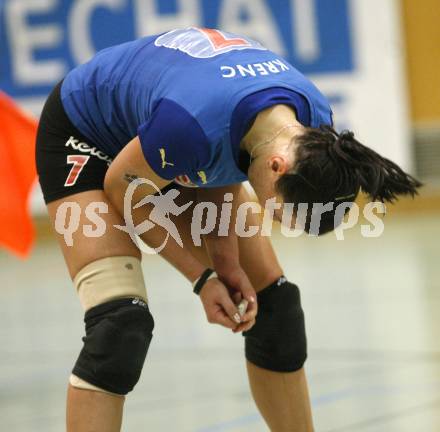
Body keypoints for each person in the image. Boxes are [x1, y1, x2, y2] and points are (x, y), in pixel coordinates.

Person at [35, 27, 421, 432]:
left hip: (169, 131)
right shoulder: (192, 127)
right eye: (277, 211)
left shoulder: (311, 129)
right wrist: (201, 279)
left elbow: (225, 158)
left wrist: (225, 258)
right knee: (119, 327)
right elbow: (124, 190)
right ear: (277, 167)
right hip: (87, 136)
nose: (271, 221)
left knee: (277, 310)